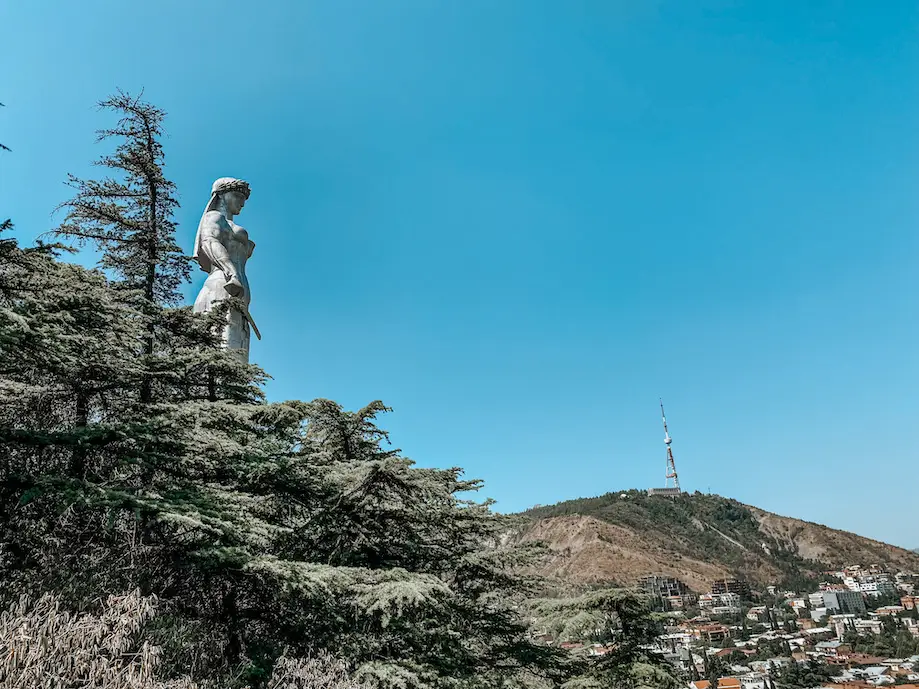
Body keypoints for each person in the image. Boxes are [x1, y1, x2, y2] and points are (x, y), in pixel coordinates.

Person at [192, 177, 258, 361]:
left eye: (244, 199)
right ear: (221, 195)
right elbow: (209, 242)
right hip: (224, 282)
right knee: (222, 339)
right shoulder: (214, 217)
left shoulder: (229, 223)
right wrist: (232, 272)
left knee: (237, 344)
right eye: (237, 196)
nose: (242, 203)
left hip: (239, 284)